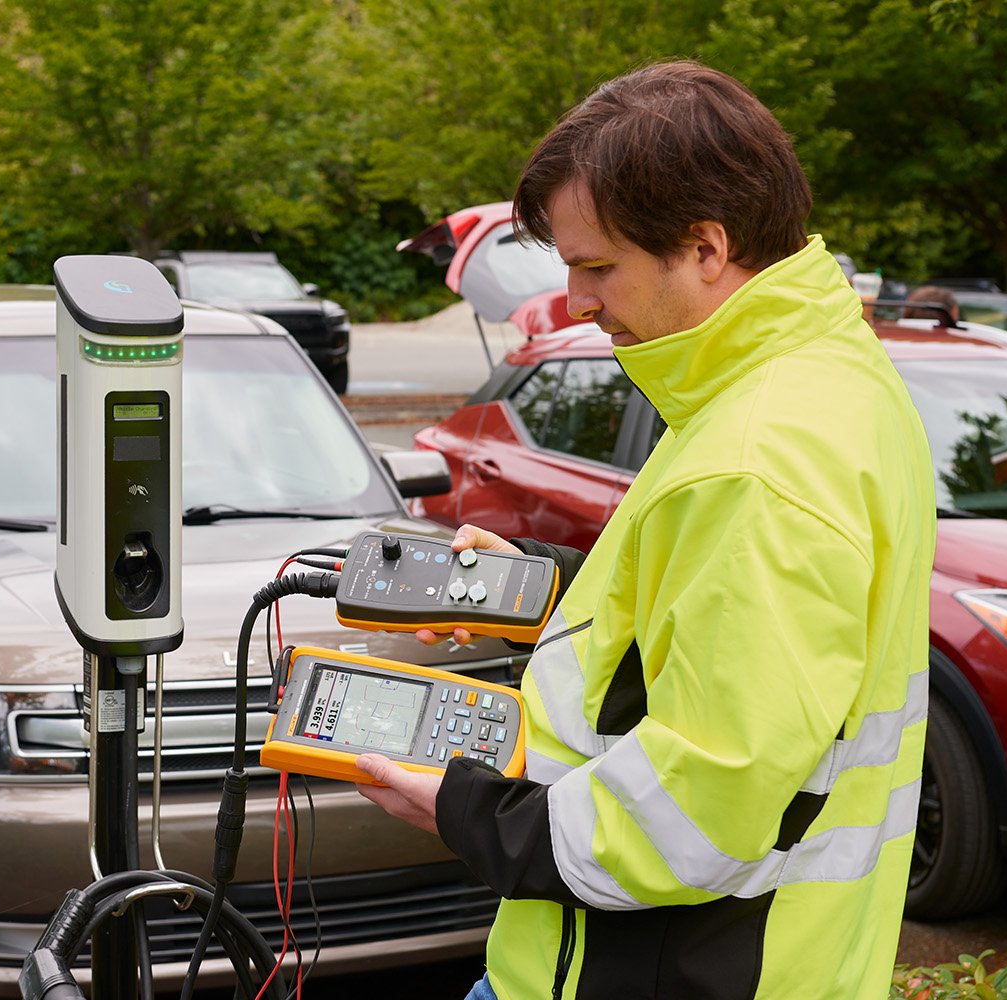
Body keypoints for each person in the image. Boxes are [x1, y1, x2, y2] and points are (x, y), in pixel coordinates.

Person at [355, 60, 935, 1000]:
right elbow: (718, 622)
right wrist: (547, 588)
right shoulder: (815, 376)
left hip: (673, 969)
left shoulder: (758, 456)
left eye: (597, 266)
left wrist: (466, 812)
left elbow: (694, 808)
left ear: (706, 247)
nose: (578, 303)